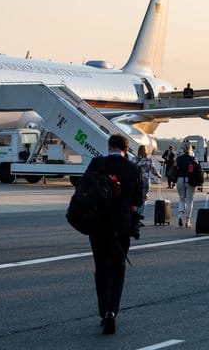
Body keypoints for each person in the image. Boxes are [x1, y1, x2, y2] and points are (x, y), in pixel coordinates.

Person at [85, 134, 143, 335]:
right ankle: (112, 312)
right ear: (126, 149)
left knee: (100, 269)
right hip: (121, 226)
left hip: (98, 224)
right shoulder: (133, 168)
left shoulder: (96, 163)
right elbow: (137, 199)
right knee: (117, 270)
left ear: (109, 146)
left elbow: (83, 189)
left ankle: (103, 313)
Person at [134, 145, 162, 226]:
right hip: (145, 180)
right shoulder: (148, 159)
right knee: (143, 199)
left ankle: (135, 217)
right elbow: (152, 170)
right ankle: (139, 216)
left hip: (136, 181)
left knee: (135, 198)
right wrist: (158, 175)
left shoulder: (134, 159)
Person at [175, 143, 197, 227]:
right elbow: (197, 169)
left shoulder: (179, 159)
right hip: (189, 180)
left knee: (181, 199)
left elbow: (175, 167)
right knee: (189, 200)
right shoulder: (193, 159)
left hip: (180, 179)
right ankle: (187, 221)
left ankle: (180, 215)